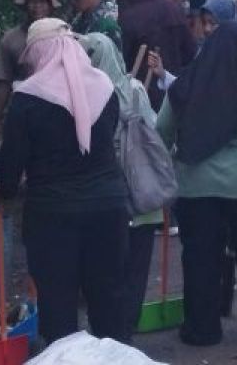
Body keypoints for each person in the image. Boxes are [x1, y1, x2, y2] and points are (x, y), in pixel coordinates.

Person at [154, 21, 237, 346]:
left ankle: (202, 330)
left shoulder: (184, 87)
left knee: (201, 259)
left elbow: (161, 132)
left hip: (195, 187)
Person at [0, 19, 129, 343]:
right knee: (109, 301)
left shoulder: (27, 98)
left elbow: (12, 162)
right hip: (108, 209)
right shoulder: (105, 89)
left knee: (58, 307)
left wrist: (5, 188)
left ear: (39, 53)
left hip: (53, 215)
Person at [77, 31, 166, 341]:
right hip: (139, 190)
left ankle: (108, 333)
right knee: (136, 269)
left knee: (106, 269)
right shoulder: (134, 89)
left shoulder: (78, 96)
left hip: (101, 197)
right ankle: (125, 333)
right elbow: (155, 129)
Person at [117, 0, 196, 110]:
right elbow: (190, 52)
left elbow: (123, 63)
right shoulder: (174, 8)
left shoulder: (129, 18)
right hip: (175, 93)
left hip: (143, 99)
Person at [0, 0, 59, 144]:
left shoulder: (61, 36)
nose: (37, 8)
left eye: (42, 2)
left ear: (50, 7)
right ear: (25, 5)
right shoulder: (12, 39)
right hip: (23, 111)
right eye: (32, 2)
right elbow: (4, 80)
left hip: (56, 110)